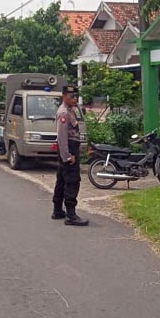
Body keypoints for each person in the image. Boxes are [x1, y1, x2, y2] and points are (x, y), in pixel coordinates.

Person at [52, 85, 88, 226]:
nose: (75, 99)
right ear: (64, 96)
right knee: (72, 181)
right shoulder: (64, 113)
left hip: (70, 149)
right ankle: (71, 215)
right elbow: (62, 138)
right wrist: (67, 156)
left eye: (76, 96)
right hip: (68, 150)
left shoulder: (70, 111)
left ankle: (57, 210)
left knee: (61, 179)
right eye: (72, 96)